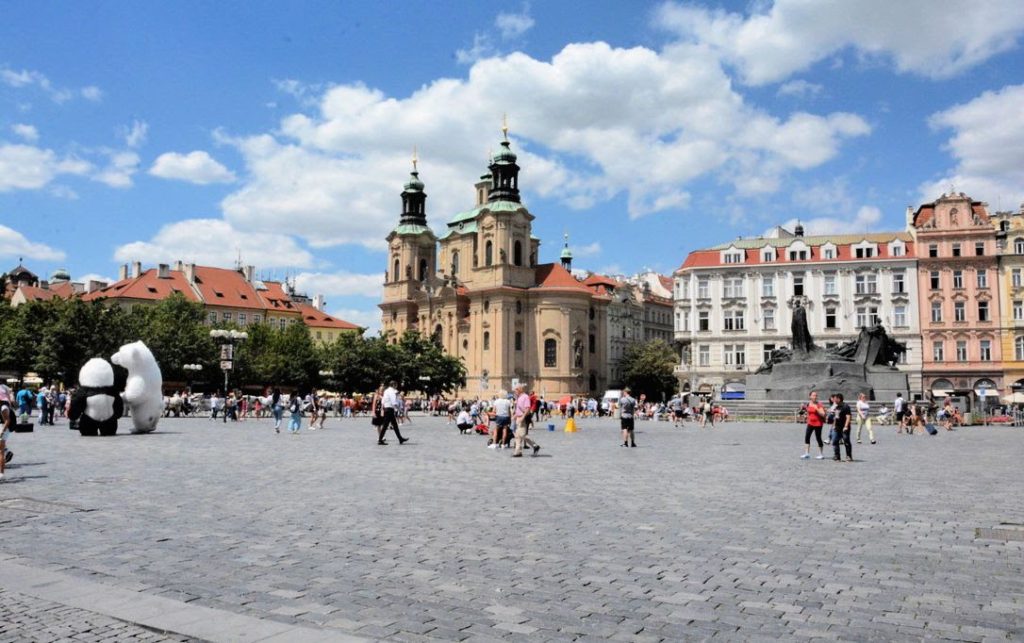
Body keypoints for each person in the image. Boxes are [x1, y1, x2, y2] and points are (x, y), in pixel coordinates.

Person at [511, 384, 539, 457]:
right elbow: (518, 409)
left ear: (519, 390)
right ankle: (518, 451)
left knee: (522, 435)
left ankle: (535, 445)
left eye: (515, 391)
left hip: (523, 418)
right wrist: (514, 416)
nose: (515, 392)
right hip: (518, 417)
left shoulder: (525, 397)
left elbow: (527, 409)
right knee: (517, 435)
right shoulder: (519, 397)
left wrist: (522, 417)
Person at [379, 381, 408, 445]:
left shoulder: (386, 391)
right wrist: (400, 410)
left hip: (387, 409)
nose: (396, 386)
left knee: (394, 425)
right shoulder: (391, 391)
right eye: (396, 385)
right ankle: (380, 440)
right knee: (386, 426)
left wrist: (383, 408)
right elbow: (394, 402)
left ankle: (400, 439)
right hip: (389, 409)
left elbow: (383, 401)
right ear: (394, 385)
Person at [801, 391, 826, 460]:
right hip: (810, 423)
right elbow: (807, 411)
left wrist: (816, 408)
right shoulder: (808, 404)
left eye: (816, 395)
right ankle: (807, 454)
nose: (815, 397)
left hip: (818, 424)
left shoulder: (819, 404)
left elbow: (823, 414)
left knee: (818, 438)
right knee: (807, 437)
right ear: (810, 396)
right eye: (813, 395)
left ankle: (821, 454)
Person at [832, 393, 853, 462]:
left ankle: (848, 456)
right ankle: (837, 456)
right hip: (837, 427)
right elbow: (836, 417)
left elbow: (848, 417)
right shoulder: (836, 407)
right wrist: (834, 425)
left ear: (839, 399)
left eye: (835, 398)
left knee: (846, 441)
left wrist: (846, 426)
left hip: (844, 427)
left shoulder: (846, 406)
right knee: (835, 441)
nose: (833, 399)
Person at [0, 385, 13, 482]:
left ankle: (1, 473)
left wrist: (2, 431)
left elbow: (7, 420)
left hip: (2, 428)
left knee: (1, 452)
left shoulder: (3, 407)